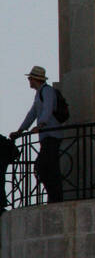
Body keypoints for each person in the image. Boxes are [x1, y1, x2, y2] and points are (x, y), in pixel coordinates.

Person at [11, 65, 64, 203]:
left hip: (52, 135)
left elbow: (47, 110)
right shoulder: (40, 93)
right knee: (46, 167)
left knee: (45, 167)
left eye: (30, 79)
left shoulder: (47, 91)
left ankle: (55, 197)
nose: (29, 81)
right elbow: (32, 114)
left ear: (35, 79)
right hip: (47, 136)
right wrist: (20, 130)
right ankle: (54, 196)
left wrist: (40, 126)